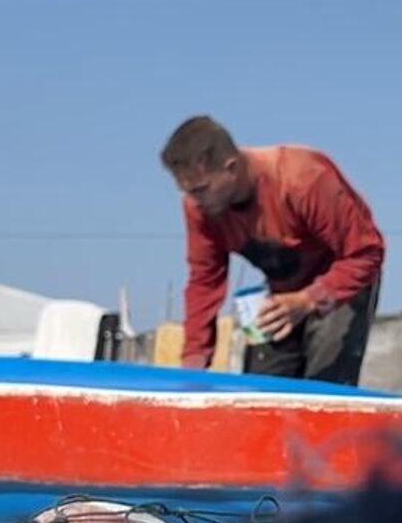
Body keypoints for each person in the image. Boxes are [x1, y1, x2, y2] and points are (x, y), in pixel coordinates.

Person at [161, 116, 385, 385]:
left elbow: (366, 252)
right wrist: (194, 359)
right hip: (282, 290)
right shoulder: (200, 208)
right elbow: (204, 281)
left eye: (201, 190)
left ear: (230, 168)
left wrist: (307, 300)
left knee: (325, 384)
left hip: (341, 284)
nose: (194, 201)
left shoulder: (302, 180)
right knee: (261, 388)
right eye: (186, 191)